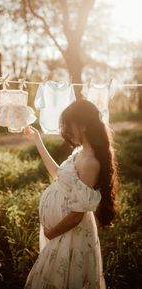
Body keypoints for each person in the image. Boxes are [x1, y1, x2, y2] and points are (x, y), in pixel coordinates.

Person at [23, 99, 119, 289]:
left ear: (82, 126)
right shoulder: (79, 152)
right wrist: (37, 140)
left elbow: (77, 214)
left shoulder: (90, 162)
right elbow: (58, 175)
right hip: (62, 231)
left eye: (69, 125)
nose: (66, 131)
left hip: (70, 234)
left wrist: (52, 232)